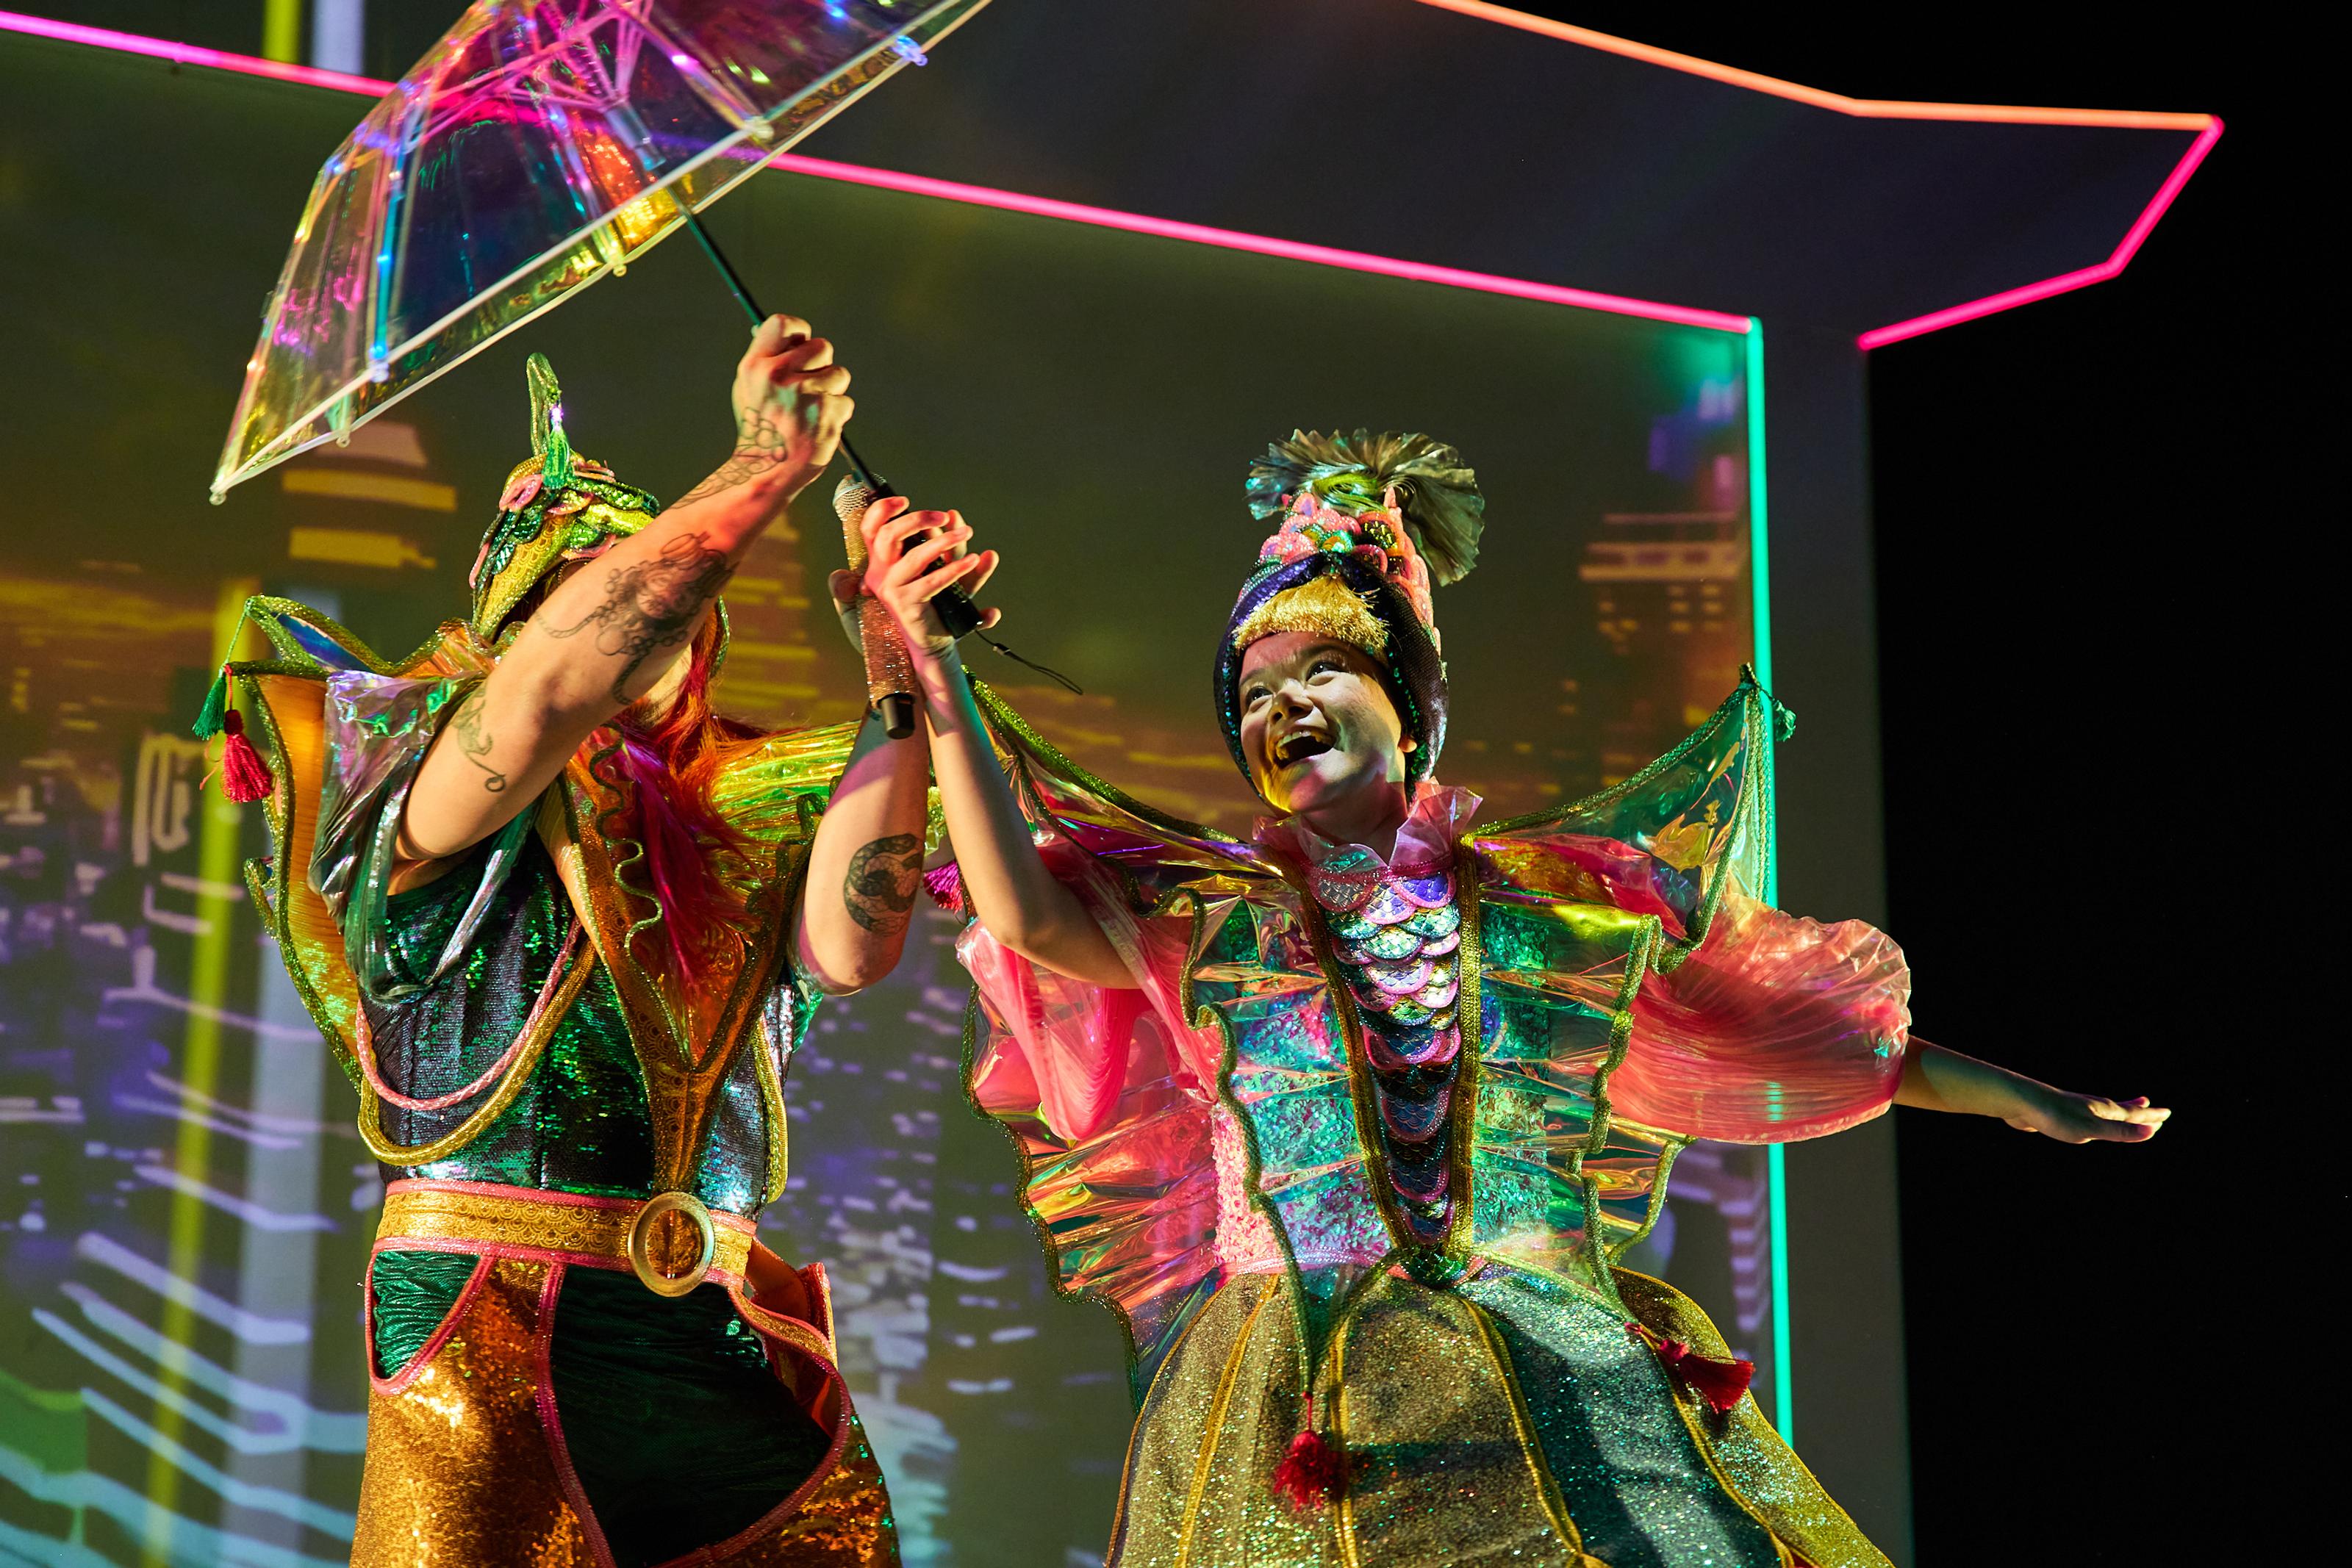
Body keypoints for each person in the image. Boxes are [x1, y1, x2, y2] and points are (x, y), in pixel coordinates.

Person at [853, 431, 2168, 1567]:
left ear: (1407, 707)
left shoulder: (1557, 907)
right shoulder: (1218, 920)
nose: (1282, 704)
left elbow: (1806, 1039)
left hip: (1553, 1358)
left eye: (1320, 671)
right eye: (1253, 693)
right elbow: (1023, 912)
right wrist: (933, 664)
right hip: (1305, 1381)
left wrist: (2025, 1101)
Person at [200, 317, 988, 1566]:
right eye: (592, 587)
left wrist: (898, 672)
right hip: (492, 1323)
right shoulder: (428, 783)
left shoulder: (739, 815)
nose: (651, 602)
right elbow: (557, 688)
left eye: (662, 580)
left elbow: (850, 948)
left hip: (712, 1324)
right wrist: (760, 470)